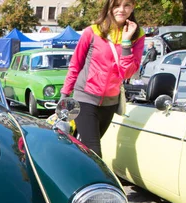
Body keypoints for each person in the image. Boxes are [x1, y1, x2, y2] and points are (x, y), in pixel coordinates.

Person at [60, 0, 144, 157]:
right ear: (109, 8)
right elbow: (75, 64)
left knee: (84, 150)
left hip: (110, 102)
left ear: (133, 7)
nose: (122, 9)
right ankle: (98, 181)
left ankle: (76, 177)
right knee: (94, 152)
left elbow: (127, 74)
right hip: (84, 98)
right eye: (117, 5)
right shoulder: (93, 31)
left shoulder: (137, 35)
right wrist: (65, 94)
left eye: (127, 5)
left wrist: (126, 42)